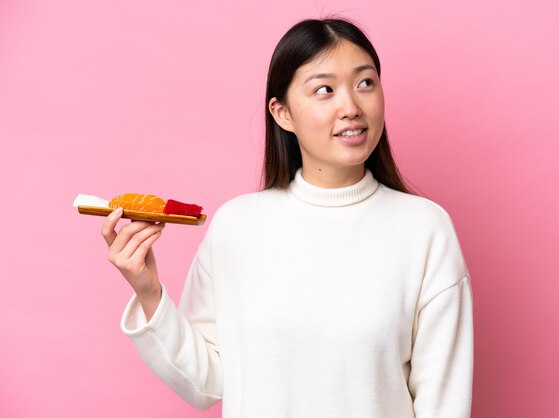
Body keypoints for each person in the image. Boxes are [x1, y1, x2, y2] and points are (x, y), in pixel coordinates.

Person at [101, 17, 474, 418]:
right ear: (282, 113)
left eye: (365, 83)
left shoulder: (424, 230)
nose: (351, 107)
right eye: (324, 90)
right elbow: (206, 383)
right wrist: (149, 293)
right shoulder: (237, 226)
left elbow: (443, 403)